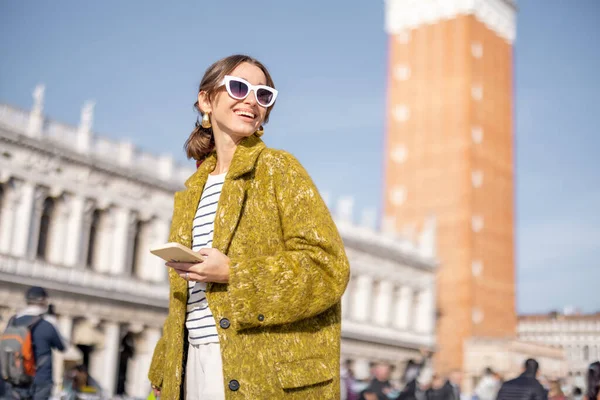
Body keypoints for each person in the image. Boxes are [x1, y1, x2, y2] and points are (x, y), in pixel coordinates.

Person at [147, 54, 350, 399]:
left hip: (261, 373)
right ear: (206, 100)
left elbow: (328, 268)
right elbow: (183, 300)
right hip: (191, 365)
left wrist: (235, 274)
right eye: (239, 87)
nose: (251, 101)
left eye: (263, 94)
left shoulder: (279, 169)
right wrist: (164, 367)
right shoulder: (192, 189)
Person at [3, 286, 67, 400]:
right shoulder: (48, 323)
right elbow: (63, 346)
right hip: (40, 380)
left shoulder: (13, 320)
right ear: (44, 301)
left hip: (14, 378)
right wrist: (54, 320)